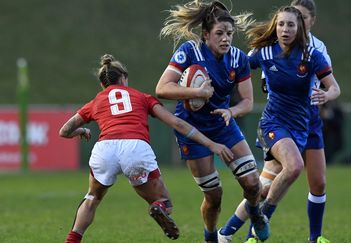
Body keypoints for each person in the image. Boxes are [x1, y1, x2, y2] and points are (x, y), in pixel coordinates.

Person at [60, 54, 235, 243]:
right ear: (124, 78)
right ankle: (158, 206)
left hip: (105, 148)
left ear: (103, 84)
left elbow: (64, 131)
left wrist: (82, 130)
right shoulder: (142, 97)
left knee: (92, 197)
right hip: (135, 147)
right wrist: (211, 143)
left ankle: (72, 240)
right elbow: (176, 122)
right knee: (164, 202)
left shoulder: (96, 102)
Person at [219, 4, 341, 243]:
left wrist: (327, 95)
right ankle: (263, 217)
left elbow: (334, 87)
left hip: (301, 127)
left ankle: (227, 232)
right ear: (275, 27)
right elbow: (236, 69)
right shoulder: (264, 52)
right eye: (281, 24)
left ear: (301, 28)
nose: (285, 29)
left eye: (291, 24)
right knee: (294, 167)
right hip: (273, 124)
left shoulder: (312, 55)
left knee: (263, 187)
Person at [156, 1, 269, 242]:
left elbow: (248, 101)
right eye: (219, 33)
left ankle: (256, 213)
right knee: (214, 196)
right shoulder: (189, 51)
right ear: (206, 35)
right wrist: (198, 93)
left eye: (229, 33)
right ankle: (210, 237)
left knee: (252, 184)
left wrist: (232, 111)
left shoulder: (238, 59)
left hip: (223, 125)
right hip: (192, 130)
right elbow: (162, 88)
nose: (226, 39)